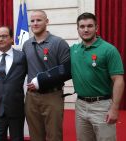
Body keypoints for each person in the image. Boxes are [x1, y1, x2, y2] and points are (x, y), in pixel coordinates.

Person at [71, 12, 125, 141]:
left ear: (97, 28)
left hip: (102, 106)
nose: (86, 29)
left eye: (90, 26)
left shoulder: (109, 50)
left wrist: (115, 108)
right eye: (82, 26)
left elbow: (119, 80)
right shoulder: (74, 50)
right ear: (77, 29)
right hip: (80, 105)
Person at [22, 10, 71, 141]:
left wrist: (43, 81)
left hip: (52, 96)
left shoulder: (59, 43)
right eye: (32, 21)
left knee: (54, 136)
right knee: (35, 136)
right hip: (31, 98)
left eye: (39, 20)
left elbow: (67, 70)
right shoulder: (26, 45)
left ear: (47, 22)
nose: (35, 23)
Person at [0, 26, 27, 141]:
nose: (0, 39)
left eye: (4, 36)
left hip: (16, 109)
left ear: (12, 39)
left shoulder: (22, 57)